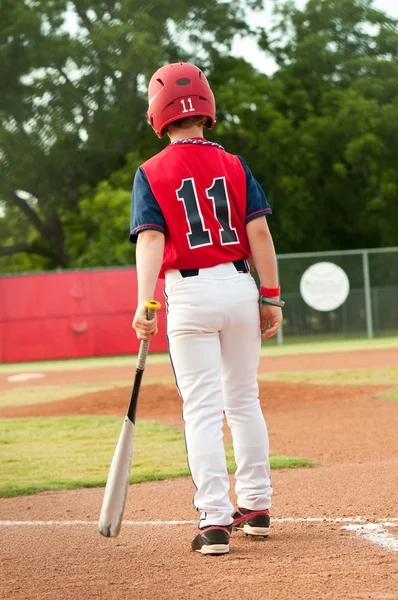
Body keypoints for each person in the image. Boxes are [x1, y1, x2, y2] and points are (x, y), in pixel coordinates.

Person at [130, 62, 284, 555]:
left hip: (190, 295)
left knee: (201, 409)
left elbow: (152, 238)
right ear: (207, 108)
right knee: (243, 399)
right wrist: (272, 294)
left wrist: (144, 301)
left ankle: (215, 521)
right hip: (240, 288)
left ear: (159, 113)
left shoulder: (151, 171)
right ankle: (257, 509)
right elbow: (259, 233)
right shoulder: (235, 164)